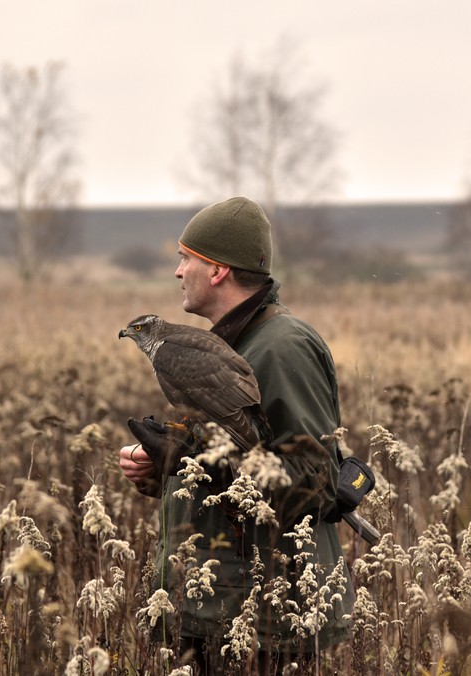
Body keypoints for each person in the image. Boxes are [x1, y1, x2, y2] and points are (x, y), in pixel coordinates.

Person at [119, 196, 353, 674]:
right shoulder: (218, 345)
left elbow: (313, 483)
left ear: (219, 270)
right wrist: (165, 465)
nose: (178, 272)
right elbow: (237, 465)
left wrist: (195, 456)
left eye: (186, 258)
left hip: (266, 620)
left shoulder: (282, 347)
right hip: (219, 611)